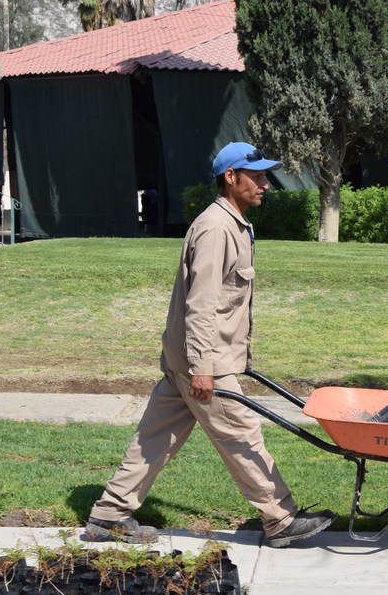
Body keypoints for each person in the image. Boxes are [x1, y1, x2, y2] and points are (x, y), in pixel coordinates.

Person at [85, 142, 333, 548]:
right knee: (241, 434)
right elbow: (201, 306)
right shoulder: (217, 228)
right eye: (257, 176)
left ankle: (108, 515)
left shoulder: (232, 223)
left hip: (186, 357)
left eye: (265, 176)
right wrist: (203, 367)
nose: (265, 184)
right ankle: (280, 518)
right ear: (230, 177)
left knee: (155, 438)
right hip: (202, 361)